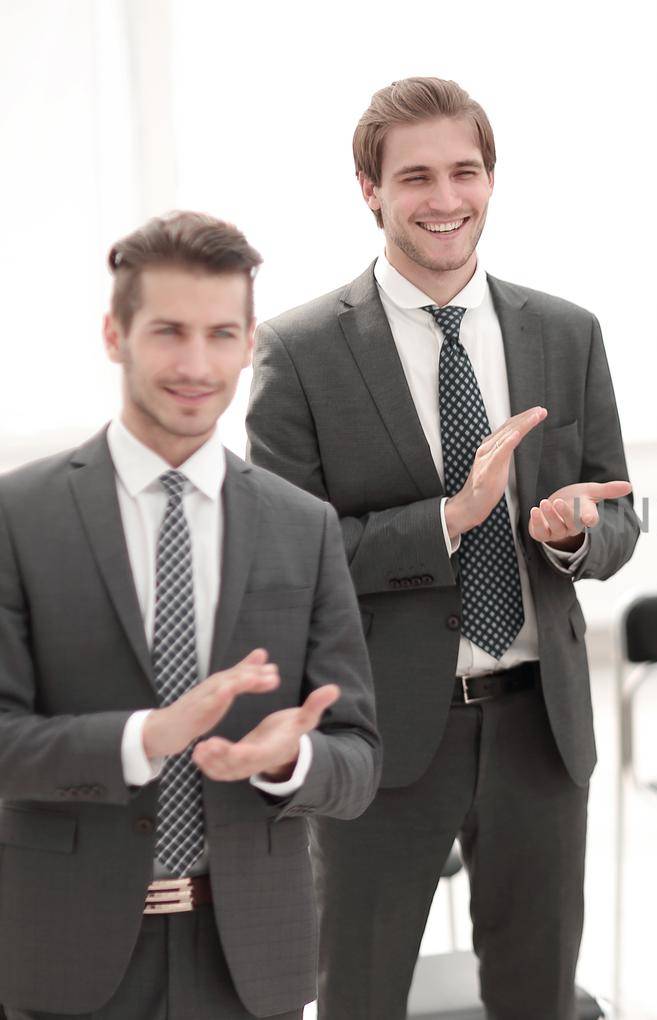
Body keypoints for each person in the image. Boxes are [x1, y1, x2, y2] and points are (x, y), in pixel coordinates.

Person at [246, 77, 639, 1018]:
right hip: (380, 738)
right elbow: (285, 563)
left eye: (465, 171)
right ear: (369, 189)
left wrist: (579, 534)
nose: (444, 198)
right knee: (362, 995)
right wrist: (450, 519)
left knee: (537, 997)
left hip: (541, 735)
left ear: (492, 180)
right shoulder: (298, 352)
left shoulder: (565, 333)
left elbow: (619, 512)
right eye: (415, 176)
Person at [0, 211, 379, 1019]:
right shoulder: (18, 516)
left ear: (249, 344)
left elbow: (358, 758)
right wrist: (149, 737)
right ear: (115, 334)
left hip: (251, 958)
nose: (197, 364)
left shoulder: (302, 525)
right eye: (170, 331)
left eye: (222, 335)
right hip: (66, 953)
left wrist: (291, 763)